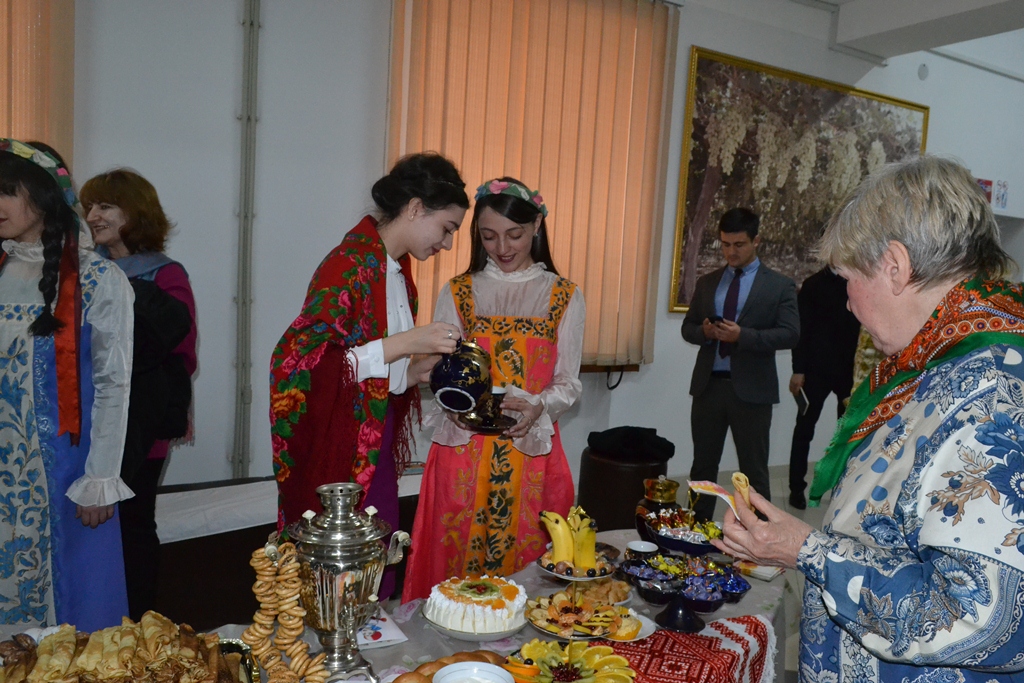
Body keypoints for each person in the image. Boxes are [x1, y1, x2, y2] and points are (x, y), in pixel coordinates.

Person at [713, 156, 1024, 683]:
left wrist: (808, 551)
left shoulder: (991, 397)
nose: (848, 303)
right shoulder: (935, 361)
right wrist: (804, 549)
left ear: (895, 266)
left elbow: (978, 618)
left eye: (848, 279)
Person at [270, 152, 469, 597]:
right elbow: (300, 364)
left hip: (374, 440)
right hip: (343, 454)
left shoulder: (396, 272)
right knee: (344, 578)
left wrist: (413, 372)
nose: (447, 243)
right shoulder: (348, 265)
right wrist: (407, 341)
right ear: (416, 208)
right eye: (447, 228)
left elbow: (369, 369)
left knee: (374, 565)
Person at [402, 177, 584, 603]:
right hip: (463, 448)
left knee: (527, 580)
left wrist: (538, 406)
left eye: (514, 234)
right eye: (488, 236)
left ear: (536, 226)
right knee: (453, 574)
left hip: (529, 450)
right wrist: (452, 401)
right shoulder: (459, 292)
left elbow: (568, 381)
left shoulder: (564, 296)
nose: (502, 247)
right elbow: (440, 370)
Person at [0, 139, 135, 632]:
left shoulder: (99, 280)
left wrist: (100, 478)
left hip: (61, 472)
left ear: (43, 195)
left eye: (7, 191)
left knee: (70, 618)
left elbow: (113, 384)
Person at [80, 169, 197, 622]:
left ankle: (138, 624)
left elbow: (182, 352)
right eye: (89, 207)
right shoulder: (83, 270)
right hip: (88, 422)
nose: (93, 215)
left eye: (105, 205)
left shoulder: (165, 273)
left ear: (135, 211)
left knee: (132, 524)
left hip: (143, 422)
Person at [681, 208, 799, 521]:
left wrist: (742, 336)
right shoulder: (708, 283)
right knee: (702, 467)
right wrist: (705, 332)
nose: (730, 252)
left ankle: (759, 536)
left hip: (753, 392)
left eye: (739, 245)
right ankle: (697, 532)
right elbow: (688, 328)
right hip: (708, 388)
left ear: (756, 241)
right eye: (725, 244)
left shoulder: (779, 285)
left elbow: (790, 334)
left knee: (754, 472)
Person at [786, 266, 861, 509]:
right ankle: (796, 488)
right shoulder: (813, 284)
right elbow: (801, 330)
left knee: (847, 434)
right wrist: (798, 369)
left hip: (849, 371)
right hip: (815, 371)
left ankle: (842, 488)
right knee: (803, 430)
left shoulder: (858, 279)